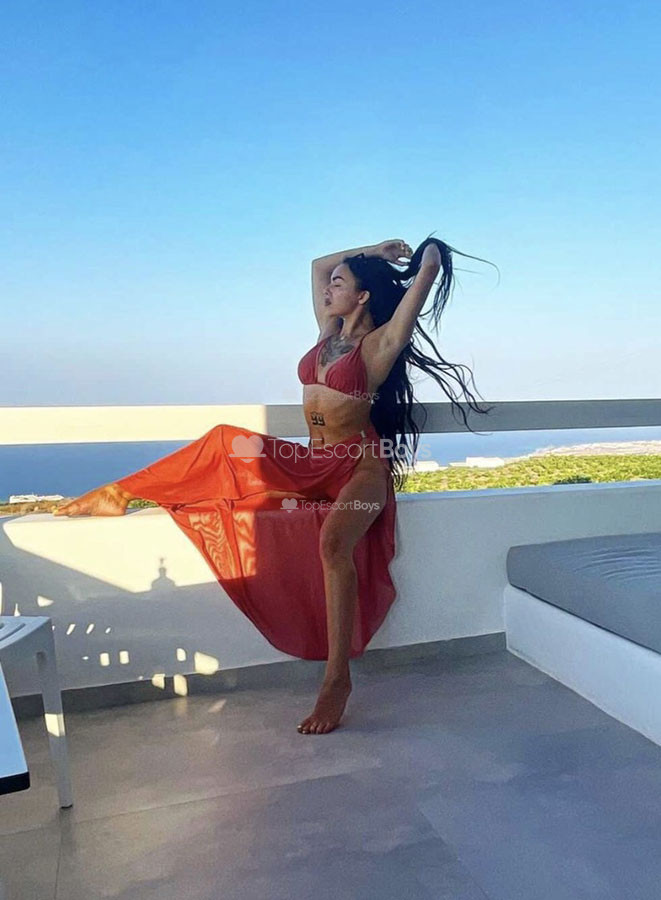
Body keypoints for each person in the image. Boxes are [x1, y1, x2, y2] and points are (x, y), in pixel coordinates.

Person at [52, 235, 496, 734]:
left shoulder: (380, 344)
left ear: (363, 296)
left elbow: (428, 270)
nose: (327, 289)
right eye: (330, 285)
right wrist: (370, 252)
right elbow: (317, 264)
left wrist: (426, 251)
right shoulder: (327, 331)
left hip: (361, 466)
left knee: (333, 543)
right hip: (312, 461)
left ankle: (337, 680)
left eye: (339, 284)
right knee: (225, 441)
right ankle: (122, 492)